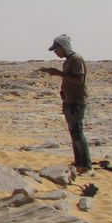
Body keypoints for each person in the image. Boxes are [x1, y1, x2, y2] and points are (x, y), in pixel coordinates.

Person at [39, 34, 93, 175]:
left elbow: (79, 80)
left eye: (57, 49)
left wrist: (59, 74)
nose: (56, 53)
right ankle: (79, 162)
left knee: (78, 132)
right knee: (73, 132)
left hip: (77, 102)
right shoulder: (69, 60)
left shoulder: (76, 59)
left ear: (63, 47)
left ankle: (86, 165)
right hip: (69, 100)